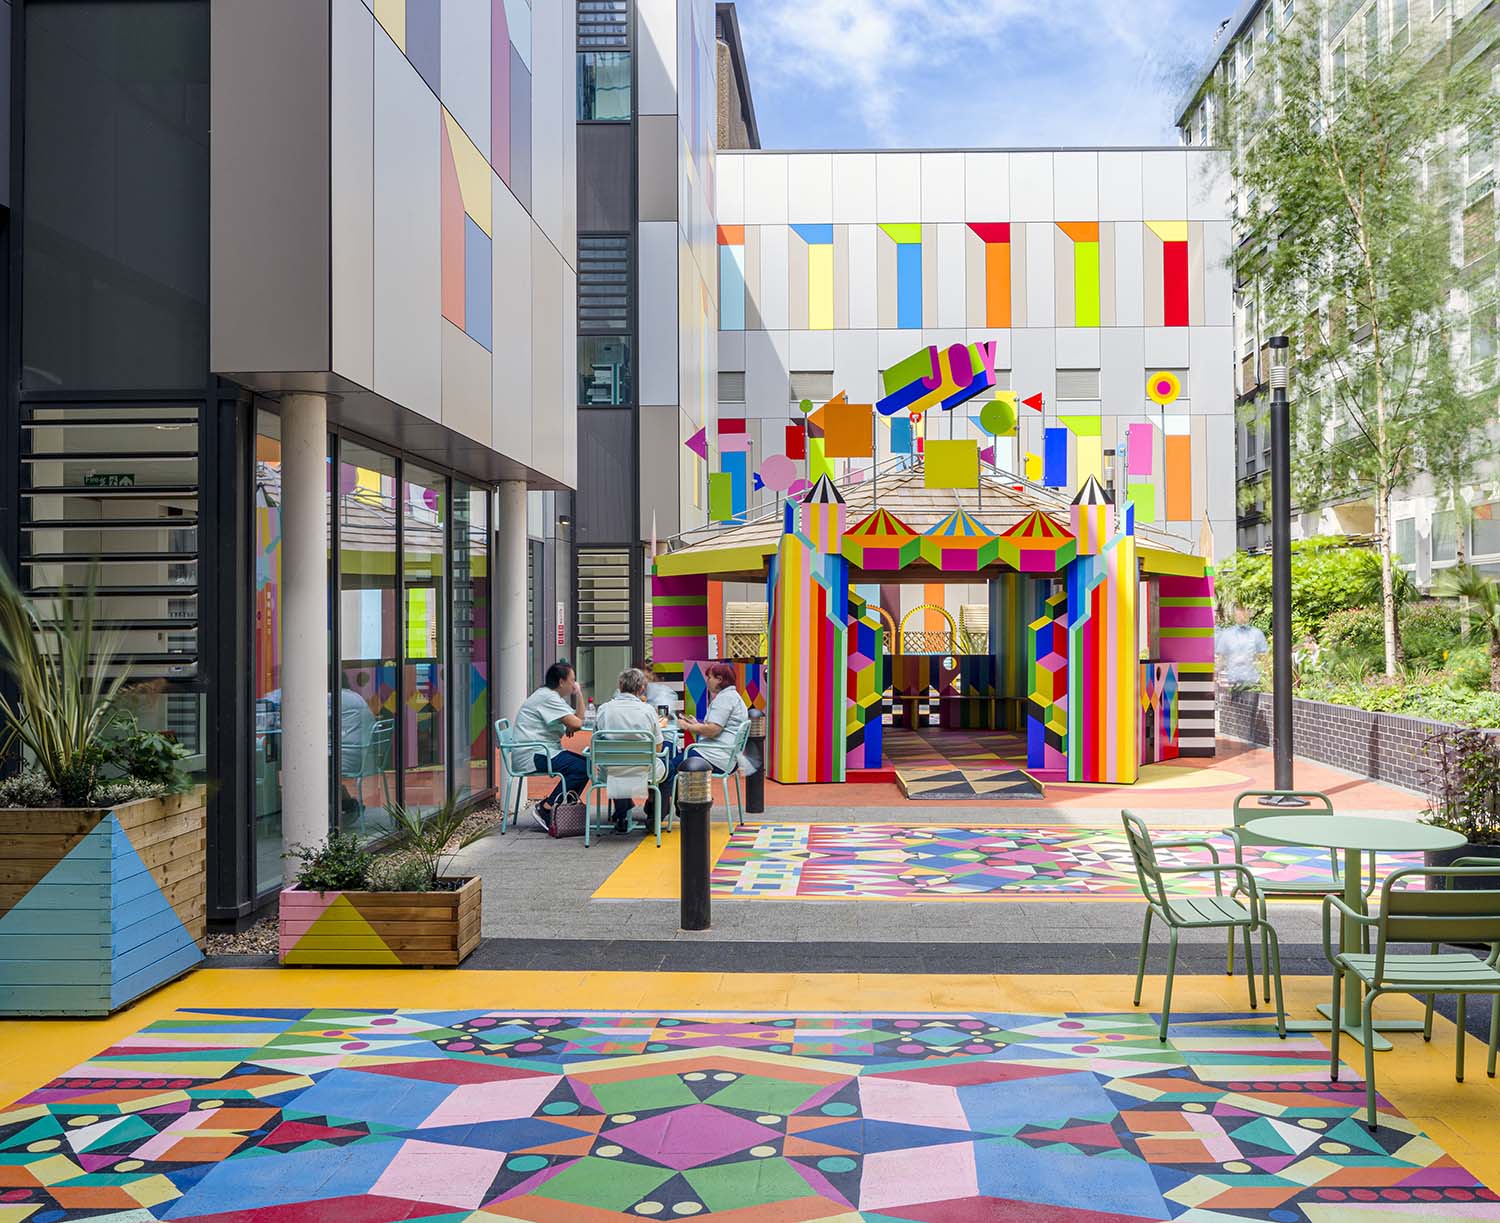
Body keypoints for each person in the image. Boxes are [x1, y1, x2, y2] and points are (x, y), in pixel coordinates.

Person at [512, 660, 588, 829]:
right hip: (533, 753)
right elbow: (576, 724)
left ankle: (562, 807)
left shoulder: (551, 696)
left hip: (543, 750)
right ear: (561, 682)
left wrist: (579, 694)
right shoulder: (547, 698)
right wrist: (572, 723)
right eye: (572, 680)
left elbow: (578, 719)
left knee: (585, 766)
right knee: (582, 768)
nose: (574, 684)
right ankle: (546, 808)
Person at [593, 668, 671, 833]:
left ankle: (621, 814)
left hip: (610, 771)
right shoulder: (648, 711)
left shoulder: (604, 710)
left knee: (618, 765)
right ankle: (655, 815)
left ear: (620, 685)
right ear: (642, 688)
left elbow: (595, 743)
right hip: (644, 771)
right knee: (668, 768)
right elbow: (658, 748)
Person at [677, 661, 750, 776]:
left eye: (709, 677)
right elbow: (719, 726)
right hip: (727, 757)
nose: (707, 681)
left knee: (671, 765)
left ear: (719, 679)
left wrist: (687, 726)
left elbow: (713, 730)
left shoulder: (724, 699)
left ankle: (672, 794)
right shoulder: (734, 697)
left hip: (715, 756)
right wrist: (696, 724)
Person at [1215, 606, 1269, 689]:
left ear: (1249, 614)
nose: (1241, 615)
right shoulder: (1227, 634)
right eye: (1238, 612)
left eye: (1243, 612)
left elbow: (1264, 658)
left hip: (1253, 683)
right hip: (1232, 683)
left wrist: (1267, 682)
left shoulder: (1257, 634)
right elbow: (1220, 658)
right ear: (1235, 615)